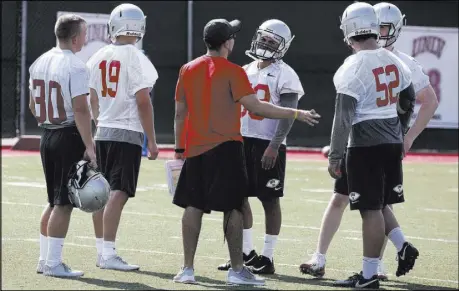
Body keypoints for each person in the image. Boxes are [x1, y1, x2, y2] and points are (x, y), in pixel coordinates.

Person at [171, 18, 321, 286]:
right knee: (234, 208)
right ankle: (238, 269)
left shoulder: (187, 68)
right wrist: (296, 113)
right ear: (227, 42)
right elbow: (258, 108)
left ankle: (187, 269)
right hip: (227, 146)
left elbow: (180, 114)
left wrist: (180, 149)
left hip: (195, 147)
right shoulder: (235, 71)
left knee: (193, 207)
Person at [300, 1, 438, 282]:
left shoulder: (352, 65)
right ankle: (384, 258)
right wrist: (400, 131)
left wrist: (335, 156)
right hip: (390, 142)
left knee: (370, 210)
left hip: (365, 144)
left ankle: (369, 272)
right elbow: (409, 99)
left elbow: (343, 118)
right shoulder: (396, 61)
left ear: (349, 31)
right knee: (376, 205)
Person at [217, 19, 304, 275]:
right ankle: (245, 252)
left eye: (272, 41)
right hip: (242, 141)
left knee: (269, 200)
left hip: (268, 143)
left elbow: (288, 114)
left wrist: (274, 147)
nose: (265, 44)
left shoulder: (286, 74)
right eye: (263, 38)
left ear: (282, 47)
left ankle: (267, 256)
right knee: (239, 198)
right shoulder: (245, 69)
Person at [87, 3, 159, 271]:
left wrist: (100, 123)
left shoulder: (97, 56)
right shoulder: (137, 57)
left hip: (103, 130)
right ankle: (108, 253)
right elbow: (143, 101)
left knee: (102, 193)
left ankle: (101, 250)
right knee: (119, 192)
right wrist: (151, 139)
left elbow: (92, 97)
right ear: (139, 27)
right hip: (127, 131)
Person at [30, 14, 96, 277]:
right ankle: (54, 263)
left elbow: (33, 106)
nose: (86, 38)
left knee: (53, 199)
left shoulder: (39, 61)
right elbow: (81, 109)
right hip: (67, 134)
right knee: (64, 202)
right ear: (75, 37)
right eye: (84, 34)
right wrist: (89, 145)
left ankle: (44, 260)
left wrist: (47, 122)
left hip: (47, 134)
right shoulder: (76, 66)